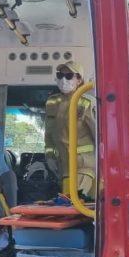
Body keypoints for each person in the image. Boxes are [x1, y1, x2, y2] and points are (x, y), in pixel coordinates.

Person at [44, 61, 97, 200]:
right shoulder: (52, 102)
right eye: (60, 75)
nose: (63, 79)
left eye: (69, 76)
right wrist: (49, 156)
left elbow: (99, 136)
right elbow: (49, 133)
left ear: (79, 80)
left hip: (83, 166)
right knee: (68, 206)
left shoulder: (86, 103)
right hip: (63, 167)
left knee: (75, 203)